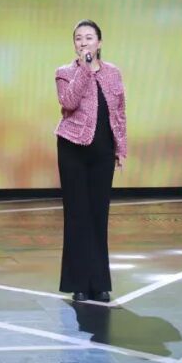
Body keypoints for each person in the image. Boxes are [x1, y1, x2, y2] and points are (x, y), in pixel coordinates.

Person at [54, 19, 127, 303]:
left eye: (89, 37)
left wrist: (120, 147)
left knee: (99, 214)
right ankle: (78, 284)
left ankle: (99, 283)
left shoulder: (113, 73)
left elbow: (119, 112)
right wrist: (84, 69)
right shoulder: (64, 73)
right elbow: (69, 102)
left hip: (103, 151)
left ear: (99, 42)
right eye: (78, 38)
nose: (83, 42)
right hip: (72, 148)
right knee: (77, 215)